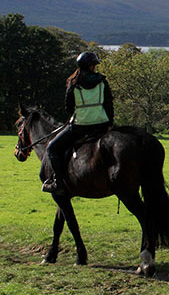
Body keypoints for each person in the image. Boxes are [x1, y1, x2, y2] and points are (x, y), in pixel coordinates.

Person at [41, 51, 114, 195]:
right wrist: (109, 123)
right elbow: (109, 104)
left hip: (80, 125)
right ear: (92, 66)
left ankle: (58, 183)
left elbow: (68, 106)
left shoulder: (73, 84)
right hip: (102, 124)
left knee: (52, 149)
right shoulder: (102, 82)